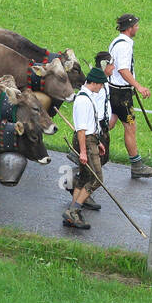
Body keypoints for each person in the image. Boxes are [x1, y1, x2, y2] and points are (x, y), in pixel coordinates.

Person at [63, 67, 110, 230]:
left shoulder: (87, 97)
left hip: (91, 140)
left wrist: (98, 142)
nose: (102, 87)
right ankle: (74, 211)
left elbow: (90, 125)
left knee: (83, 178)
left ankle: (71, 212)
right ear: (94, 83)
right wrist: (83, 151)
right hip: (86, 142)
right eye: (101, 85)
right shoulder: (83, 100)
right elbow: (82, 130)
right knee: (96, 179)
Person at [108, 13, 152, 179]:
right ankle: (136, 165)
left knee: (109, 123)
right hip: (122, 93)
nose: (138, 27)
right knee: (130, 126)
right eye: (136, 25)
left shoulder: (116, 41)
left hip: (113, 89)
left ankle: (79, 150)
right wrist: (139, 86)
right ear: (129, 28)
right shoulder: (125, 46)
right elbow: (123, 70)